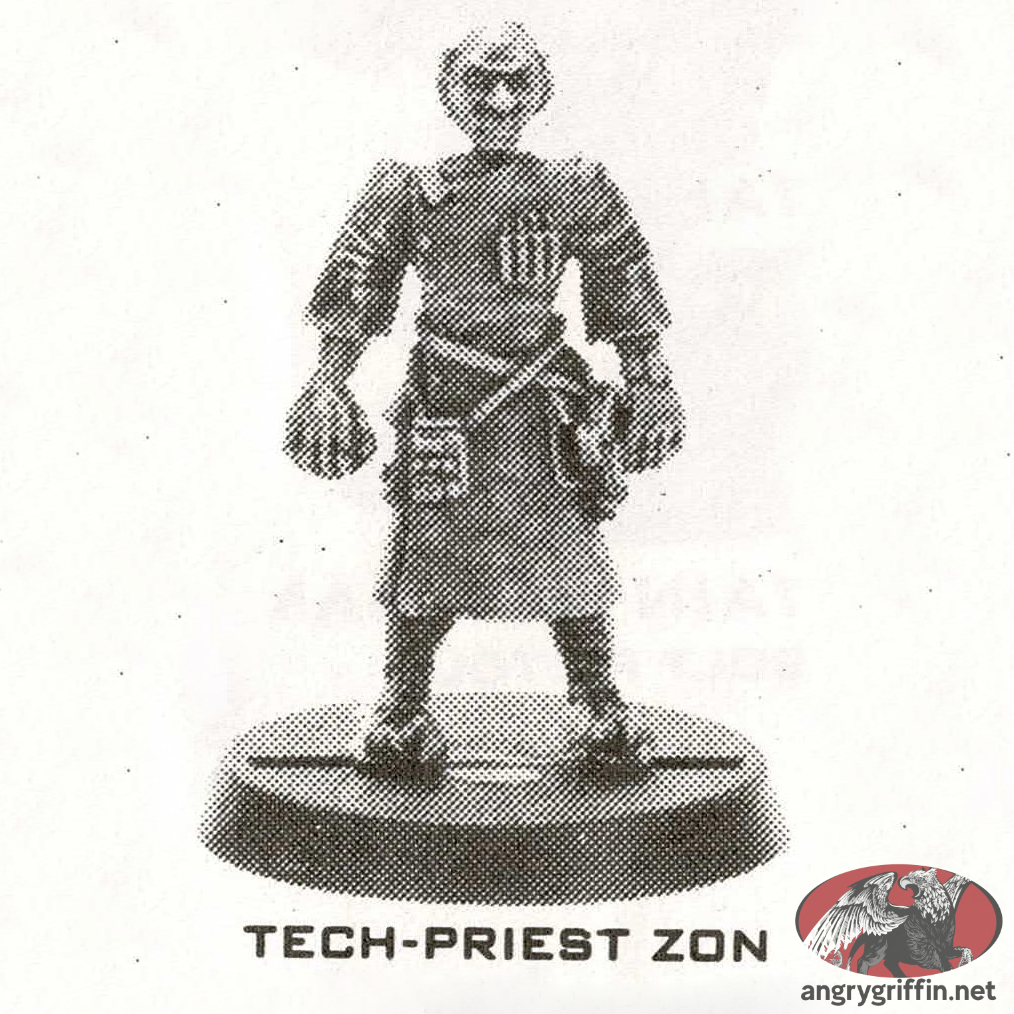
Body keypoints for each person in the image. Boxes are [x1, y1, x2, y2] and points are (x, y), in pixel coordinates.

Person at [284, 22, 683, 778]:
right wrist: (328, 380)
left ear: (540, 92)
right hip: (447, 408)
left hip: (545, 412)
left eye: (515, 82)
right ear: (449, 93)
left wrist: (650, 381)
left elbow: (623, 280)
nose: (498, 100)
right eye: (479, 82)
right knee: (424, 567)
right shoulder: (408, 190)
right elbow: (358, 284)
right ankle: (402, 709)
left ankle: (599, 706)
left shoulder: (575, 188)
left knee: (570, 562)